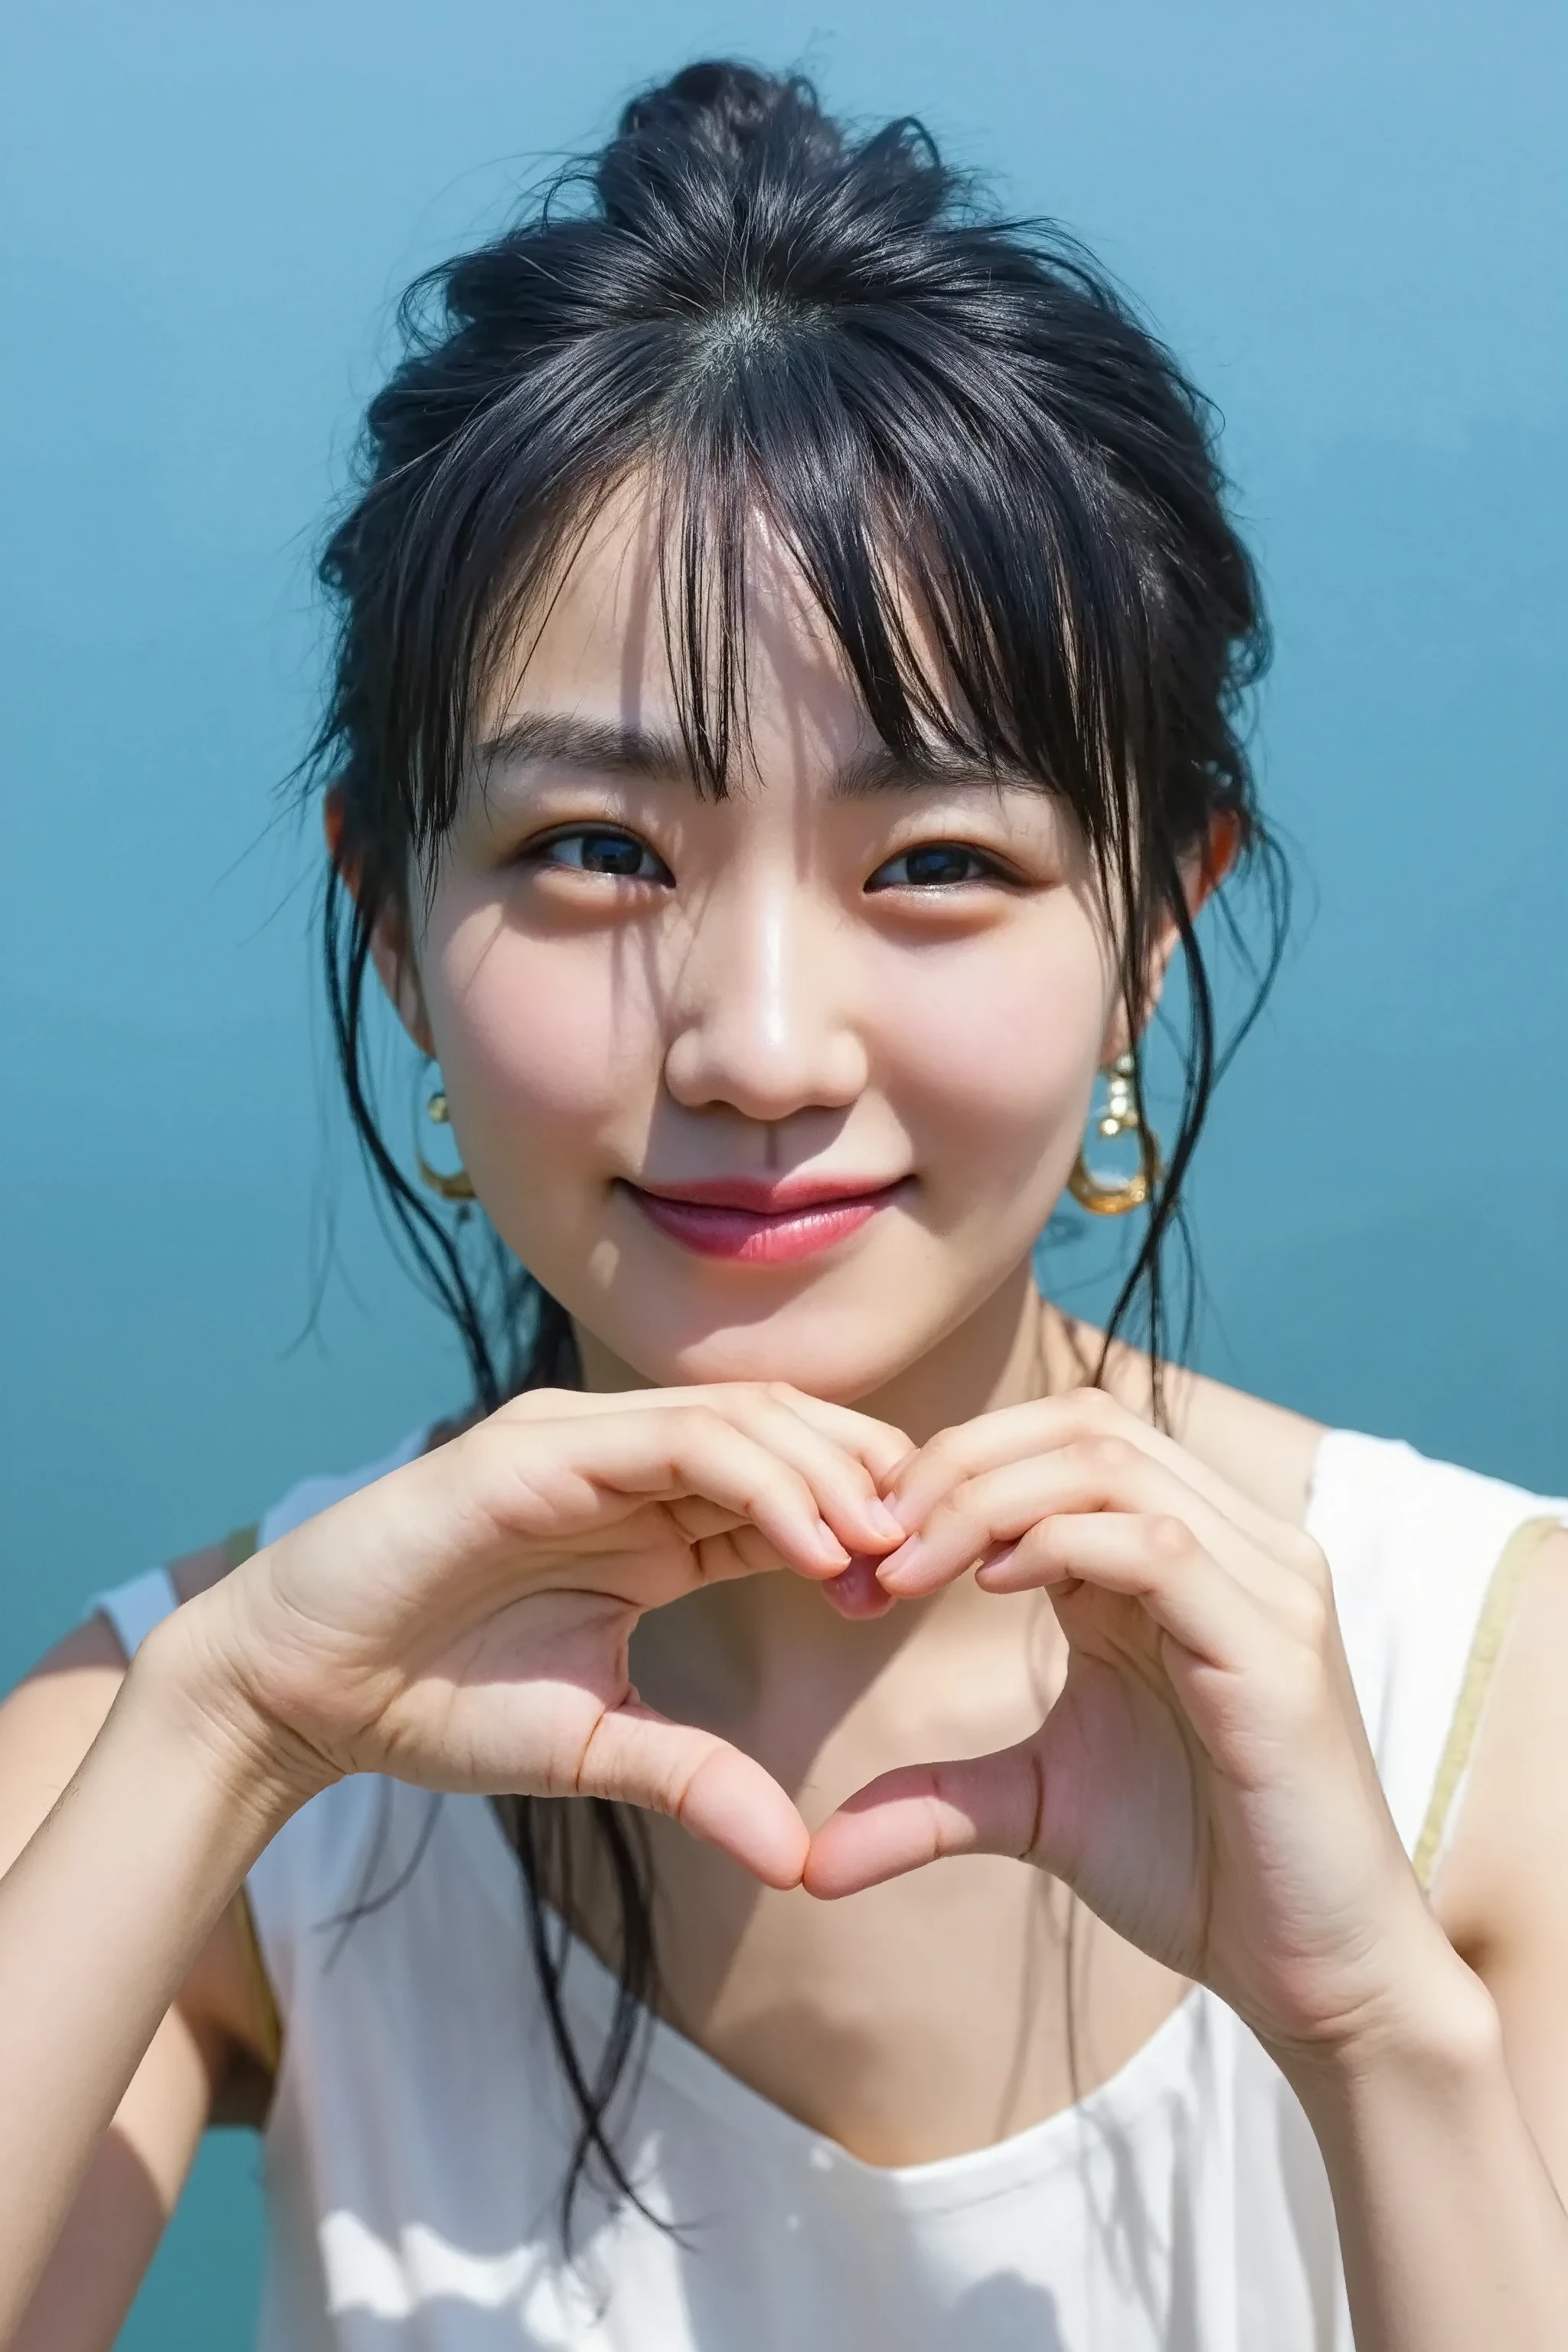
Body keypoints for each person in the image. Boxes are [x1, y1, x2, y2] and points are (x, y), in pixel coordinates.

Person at [2, 60, 1565, 2352]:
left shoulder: (1495, 1707)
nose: (754, 1043)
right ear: (390, 925)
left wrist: (1380, 2041)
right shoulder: (199, 1733)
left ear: (1152, 927)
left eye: (935, 863)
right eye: (595, 852)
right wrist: (226, 1737)